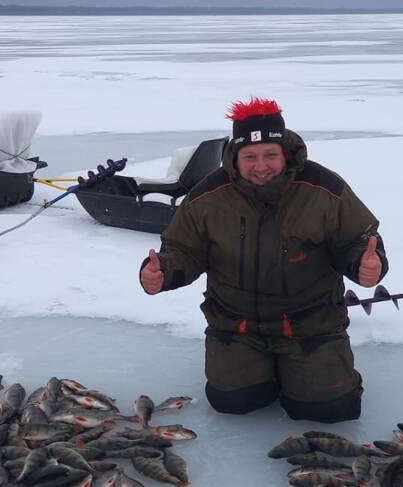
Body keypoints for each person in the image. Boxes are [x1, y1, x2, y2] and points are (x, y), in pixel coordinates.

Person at [139, 97, 387, 423]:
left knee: (332, 409)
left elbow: (359, 239)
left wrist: (366, 265)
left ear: (284, 153)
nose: (261, 165)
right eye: (250, 156)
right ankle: (265, 371)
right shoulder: (208, 196)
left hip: (310, 325)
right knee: (233, 401)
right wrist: (162, 272)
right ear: (235, 157)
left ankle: (309, 373)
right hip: (237, 325)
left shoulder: (324, 189)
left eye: (270, 155)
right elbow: (183, 249)